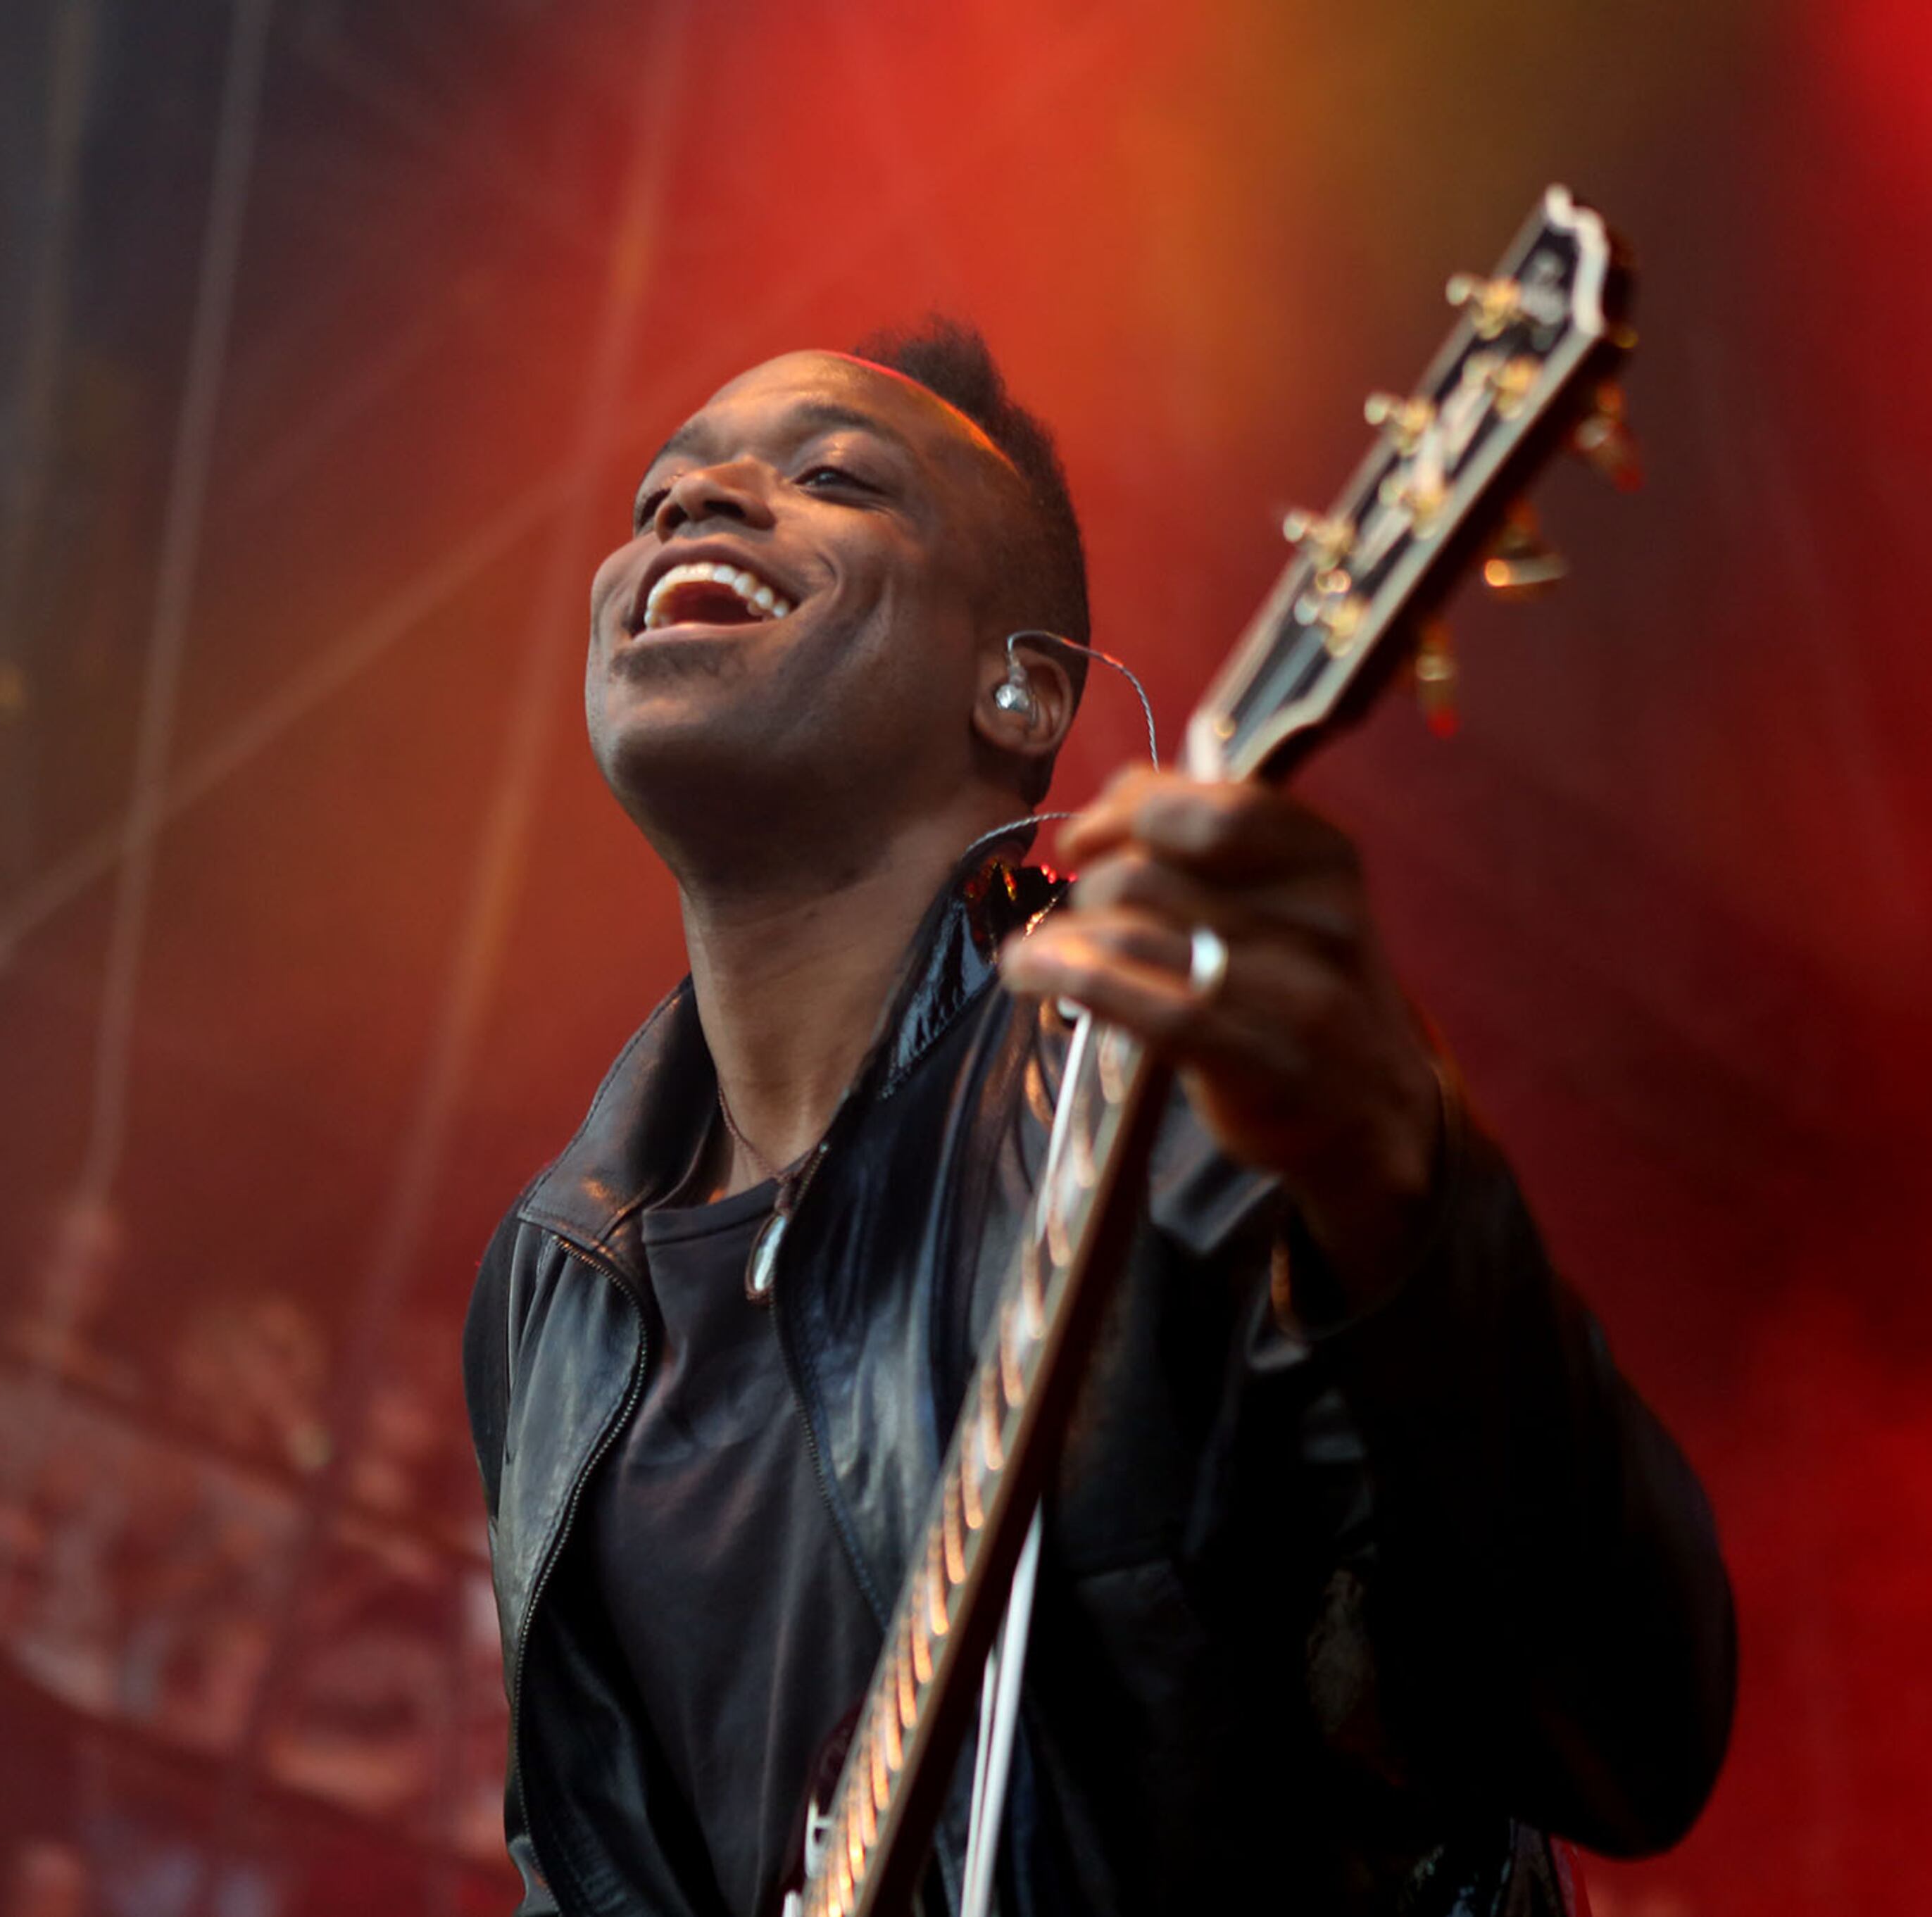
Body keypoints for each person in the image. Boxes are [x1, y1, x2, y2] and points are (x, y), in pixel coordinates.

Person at [461, 320, 1734, 1916]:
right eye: (661, 493)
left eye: (830, 480)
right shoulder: (560, 1284)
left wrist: (1406, 1189)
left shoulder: (1162, 1109)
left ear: (1020, 686)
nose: (695, 502)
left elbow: (1622, 1725)